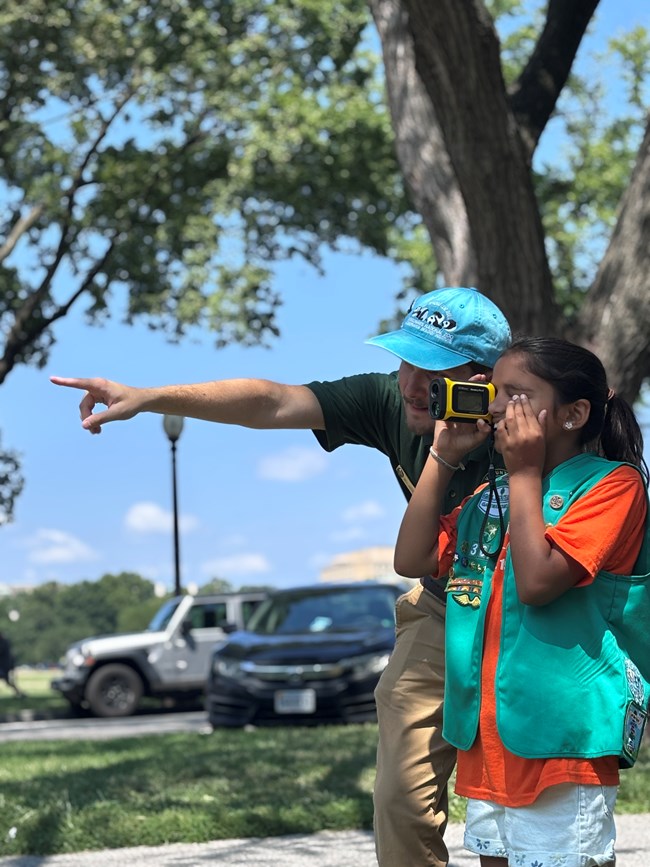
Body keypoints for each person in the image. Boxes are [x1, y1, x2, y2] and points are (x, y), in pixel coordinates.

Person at [50, 285, 512, 867]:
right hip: (442, 609)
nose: (412, 384)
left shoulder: (532, 426)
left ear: (484, 381)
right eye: (406, 362)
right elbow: (271, 402)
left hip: (525, 621)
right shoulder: (388, 403)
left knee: (509, 813)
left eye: (434, 370)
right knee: (402, 801)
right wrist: (150, 397)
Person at [394, 336, 650, 867]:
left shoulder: (613, 486)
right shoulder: (491, 496)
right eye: (493, 391)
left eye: (515, 394)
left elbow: (537, 583)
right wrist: (442, 457)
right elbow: (412, 558)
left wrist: (526, 472)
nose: (494, 406)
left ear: (574, 414)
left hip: (561, 739)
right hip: (488, 740)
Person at [0, 631, 24, 697]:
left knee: (8, 681)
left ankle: (19, 693)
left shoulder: (3, 643)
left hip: (3, 666)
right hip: (4, 665)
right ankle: (19, 693)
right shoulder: (5, 642)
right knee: (8, 682)